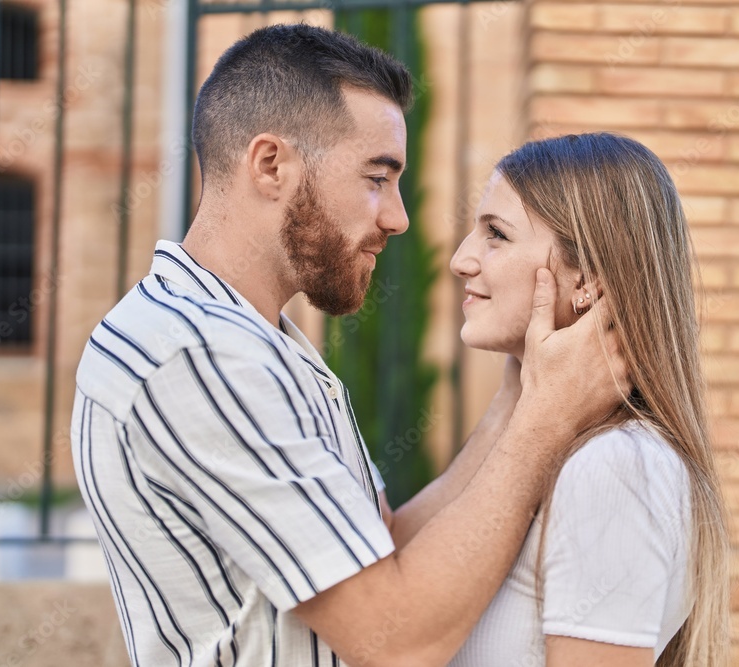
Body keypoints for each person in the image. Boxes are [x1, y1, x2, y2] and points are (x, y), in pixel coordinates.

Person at [70, 24, 629, 667]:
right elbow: (396, 639)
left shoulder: (253, 339)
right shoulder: (198, 356)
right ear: (271, 165)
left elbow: (379, 549)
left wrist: (517, 395)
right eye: (376, 177)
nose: (398, 216)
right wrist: (546, 422)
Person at [446, 133, 730, 666]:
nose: (462, 259)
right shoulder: (572, 451)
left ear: (587, 280)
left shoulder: (615, 467)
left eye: (497, 236)